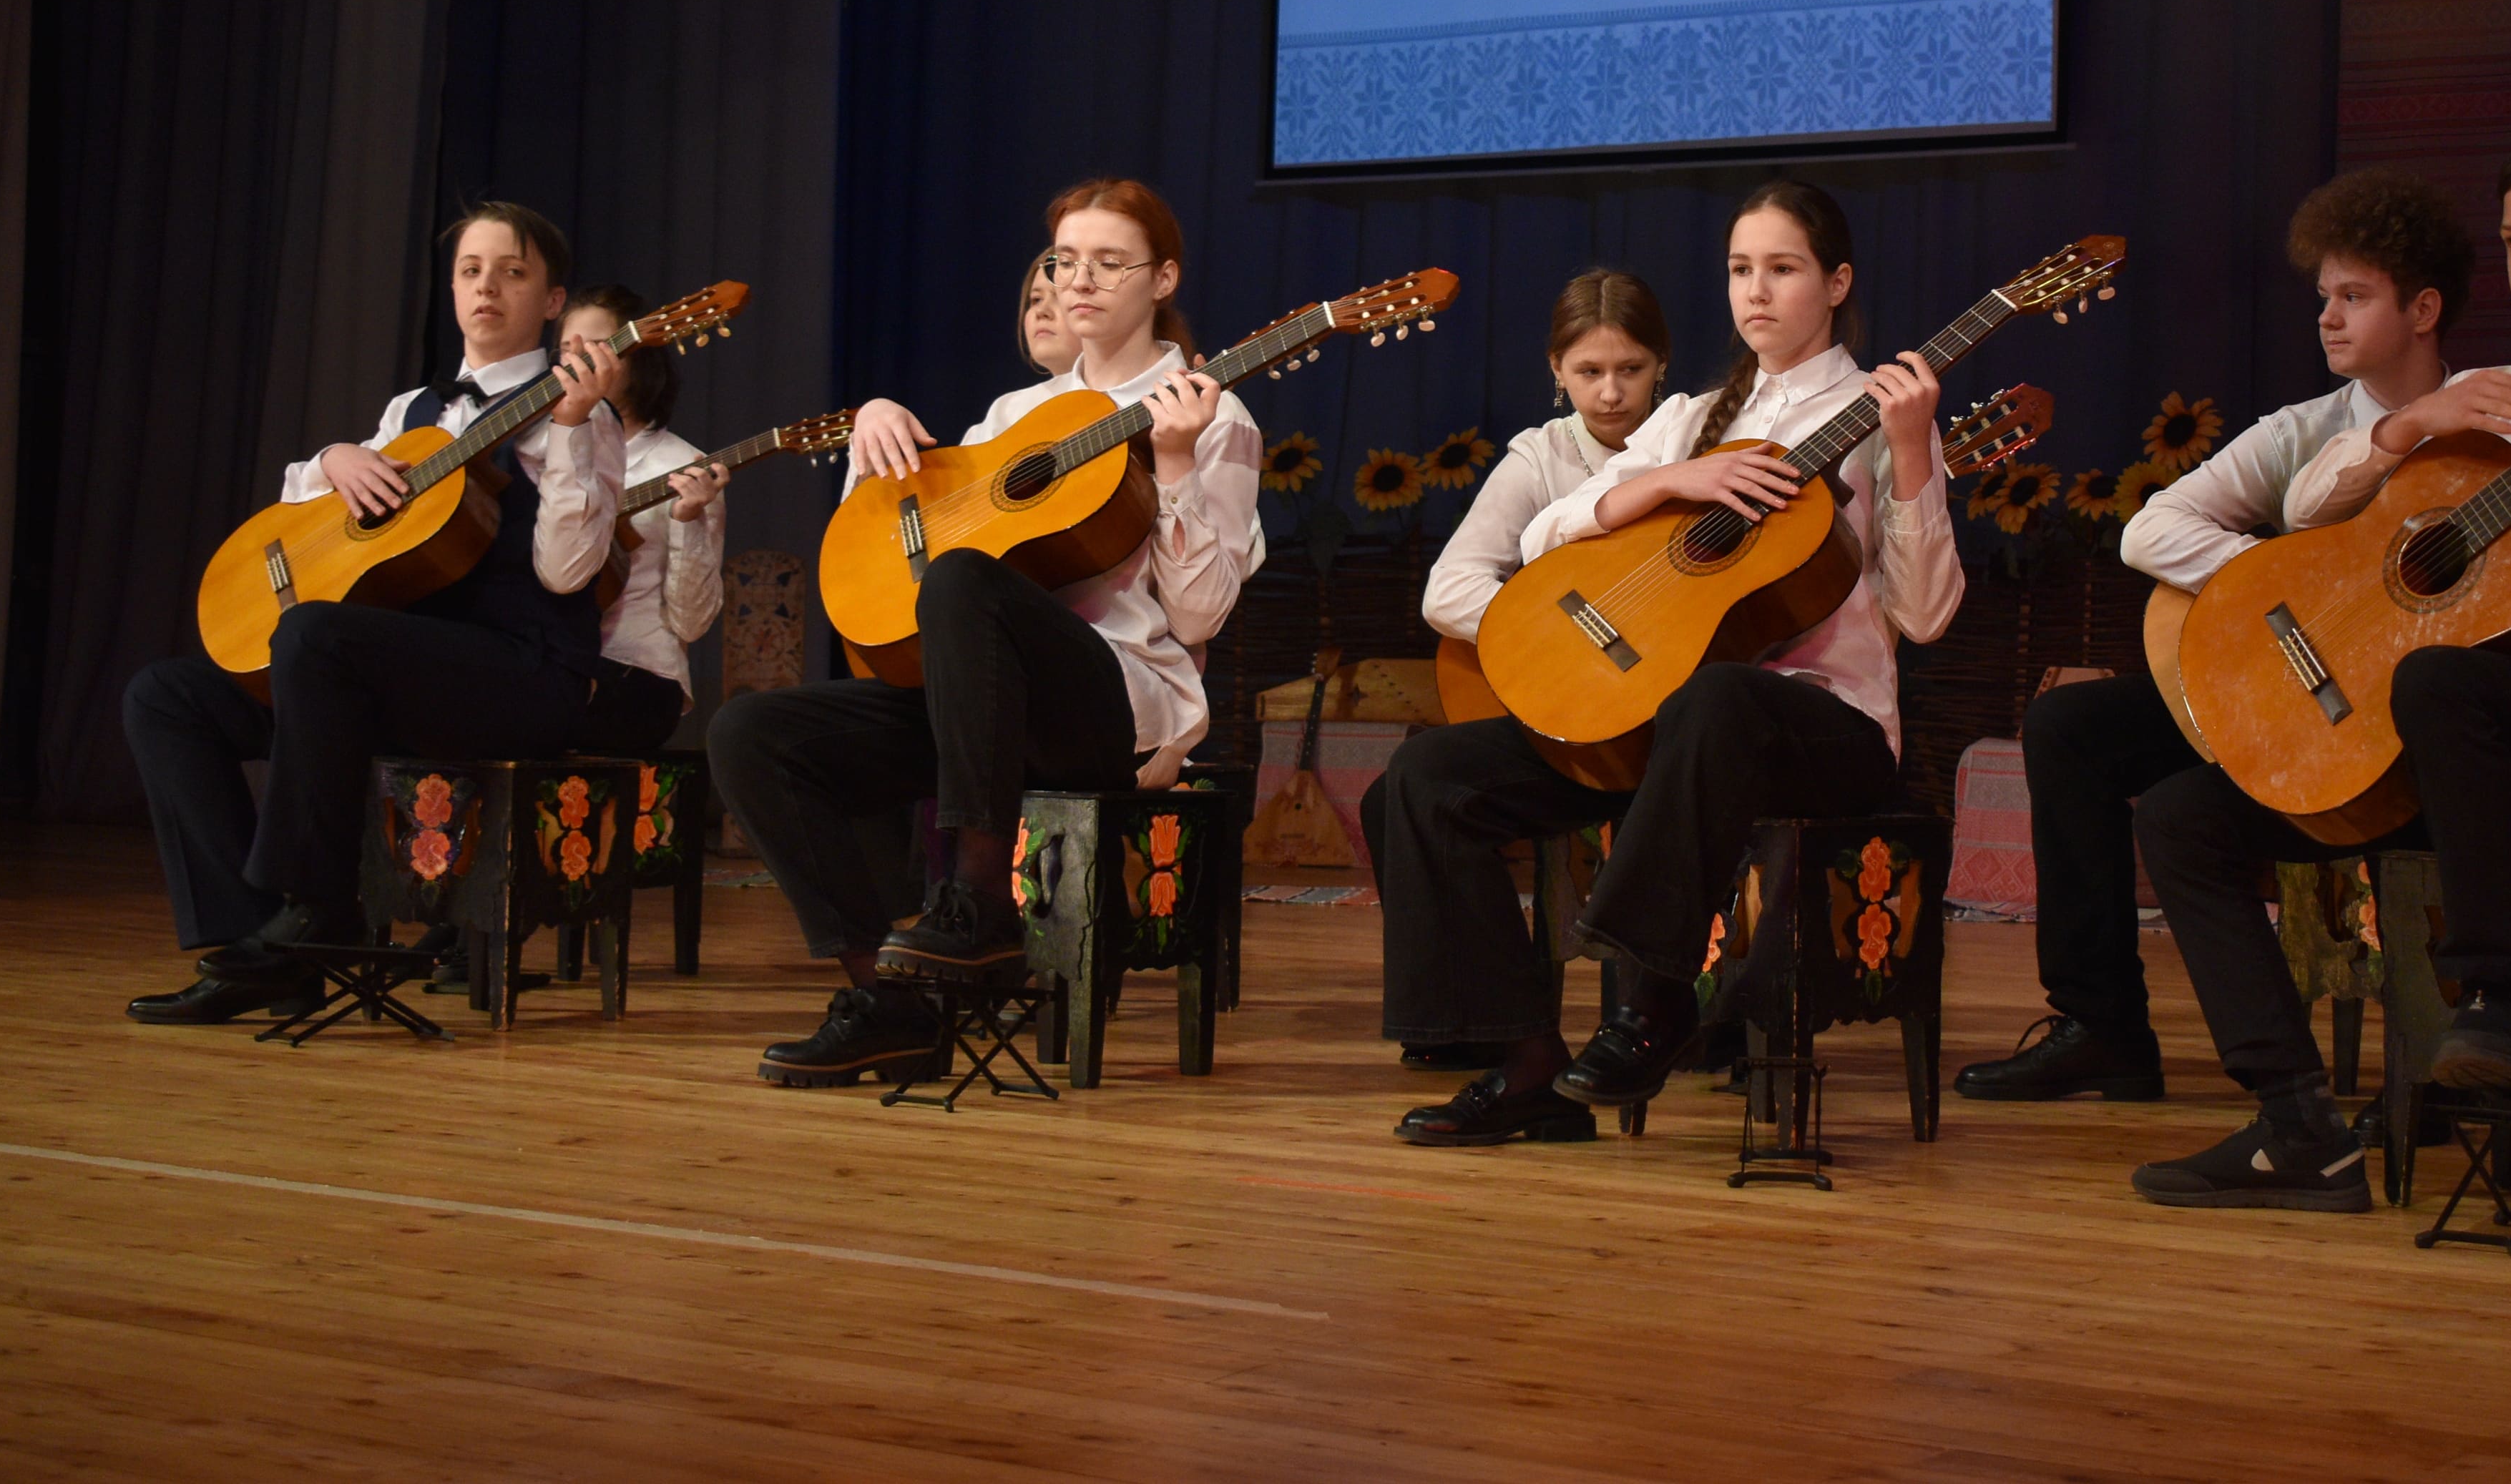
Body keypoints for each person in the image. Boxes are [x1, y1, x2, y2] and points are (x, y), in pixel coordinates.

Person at [2127, 123, 2511, 1212]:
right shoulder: (2476, 392)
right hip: (2468, 756)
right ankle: (2297, 1126)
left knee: (2437, 684)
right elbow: (2311, 516)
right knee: (2183, 816)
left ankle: (2495, 1010)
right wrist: (2403, 429)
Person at [1383, 180, 1960, 1149]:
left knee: (1722, 693)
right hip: (1672, 731)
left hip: (1828, 728)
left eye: (1782, 269)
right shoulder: (1691, 416)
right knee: (1430, 777)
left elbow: (1926, 613)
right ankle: (1523, 1063)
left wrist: (1909, 457)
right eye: (1741, 270)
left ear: (1837, 282)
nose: (1756, 292)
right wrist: (1668, 479)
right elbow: (1545, 537)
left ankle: (1653, 1006)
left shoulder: (1879, 417)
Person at [710, 179, 1263, 1088]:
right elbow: (922, 559)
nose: (1078, 282)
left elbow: (1201, 615)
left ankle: (974, 902)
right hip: (982, 708)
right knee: (753, 735)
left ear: (1162, 277)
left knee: (975, 582)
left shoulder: (1211, 414)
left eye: (1108, 263)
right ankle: (891, 1006)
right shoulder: (1016, 417)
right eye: (1063, 262)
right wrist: (875, 441)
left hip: (1113, 708)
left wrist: (1171, 464)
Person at [1957, 169, 2475, 1103]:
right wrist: (2290, 591)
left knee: (2183, 807)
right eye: (2323, 297)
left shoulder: (2485, 423)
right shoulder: (2304, 430)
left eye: (2354, 297)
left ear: (2425, 307)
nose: (2327, 318)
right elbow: (2147, 532)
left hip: (2398, 714)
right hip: (2287, 680)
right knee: (2068, 729)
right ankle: (2102, 1023)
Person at [120, 202, 627, 1023]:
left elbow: (568, 577)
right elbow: (310, 507)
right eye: (470, 270)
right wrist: (333, 459)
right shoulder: (410, 412)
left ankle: (318, 910)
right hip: (391, 673)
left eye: (513, 271)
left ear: (554, 301)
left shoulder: (583, 414)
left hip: (522, 671)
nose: (486, 287)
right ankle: (261, 941)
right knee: (166, 697)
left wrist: (568, 433)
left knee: (313, 633)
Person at [1371, 267, 1676, 1070]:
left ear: (1662, 367)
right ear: (1555, 372)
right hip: (1575, 719)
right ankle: (1475, 1027)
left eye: (1630, 370)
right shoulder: (1538, 459)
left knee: (1412, 788)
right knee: (1400, 791)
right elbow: (1449, 591)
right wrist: (1562, 643)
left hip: (1668, 721)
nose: (1610, 393)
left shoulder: (1695, 443)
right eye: (1587, 373)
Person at [563, 283, 730, 753]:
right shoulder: (542, 454)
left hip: (635, 675)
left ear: (638, 360)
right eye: (565, 351)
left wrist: (688, 521)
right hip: (549, 664)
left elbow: (692, 624)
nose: (576, 364)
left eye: (596, 349)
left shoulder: (683, 465)